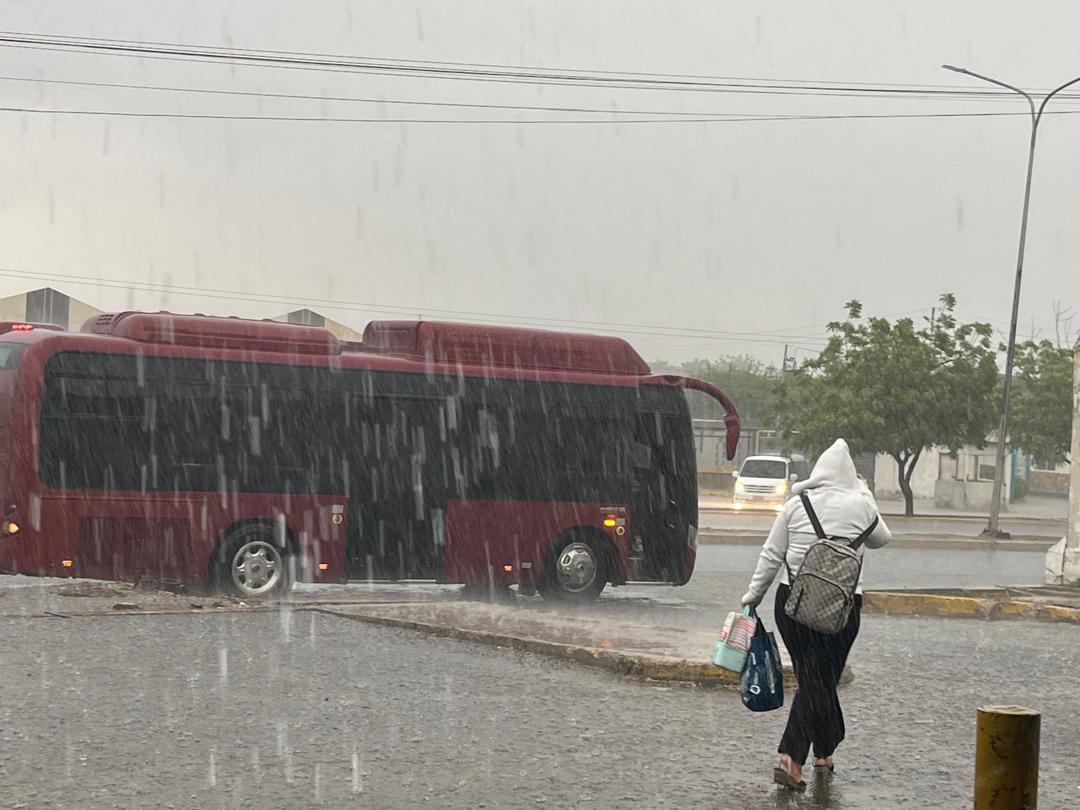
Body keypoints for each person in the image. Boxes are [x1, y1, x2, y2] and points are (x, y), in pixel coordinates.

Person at [739, 439, 891, 791]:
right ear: (851, 475)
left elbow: (771, 556)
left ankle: (824, 749)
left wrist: (752, 597)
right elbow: (882, 539)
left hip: (793, 606)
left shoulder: (796, 505)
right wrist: (866, 493)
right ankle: (791, 759)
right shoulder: (863, 507)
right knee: (819, 680)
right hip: (842, 609)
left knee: (816, 679)